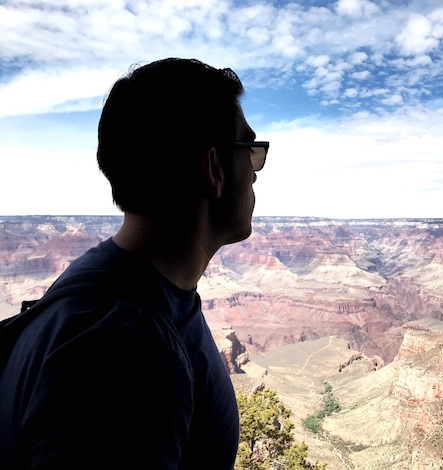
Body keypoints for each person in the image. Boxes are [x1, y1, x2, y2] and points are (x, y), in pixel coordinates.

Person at [0, 58, 268, 469]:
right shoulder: (126, 351)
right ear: (213, 169)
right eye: (248, 151)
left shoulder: (118, 283)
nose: (256, 173)